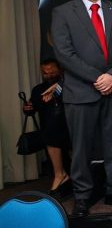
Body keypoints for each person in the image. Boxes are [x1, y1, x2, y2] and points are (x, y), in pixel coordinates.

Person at [52, 0, 112, 216]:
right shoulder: (63, 13)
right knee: (81, 149)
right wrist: (99, 78)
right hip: (80, 92)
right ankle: (83, 196)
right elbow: (64, 54)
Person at [24, 58, 71, 195]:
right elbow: (32, 109)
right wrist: (28, 108)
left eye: (52, 72)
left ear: (60, 70)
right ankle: (60, 177)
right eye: (45, 73)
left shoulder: (67, 86)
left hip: (69, 130)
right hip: (49, 133)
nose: (49, 75)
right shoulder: (38, 90)